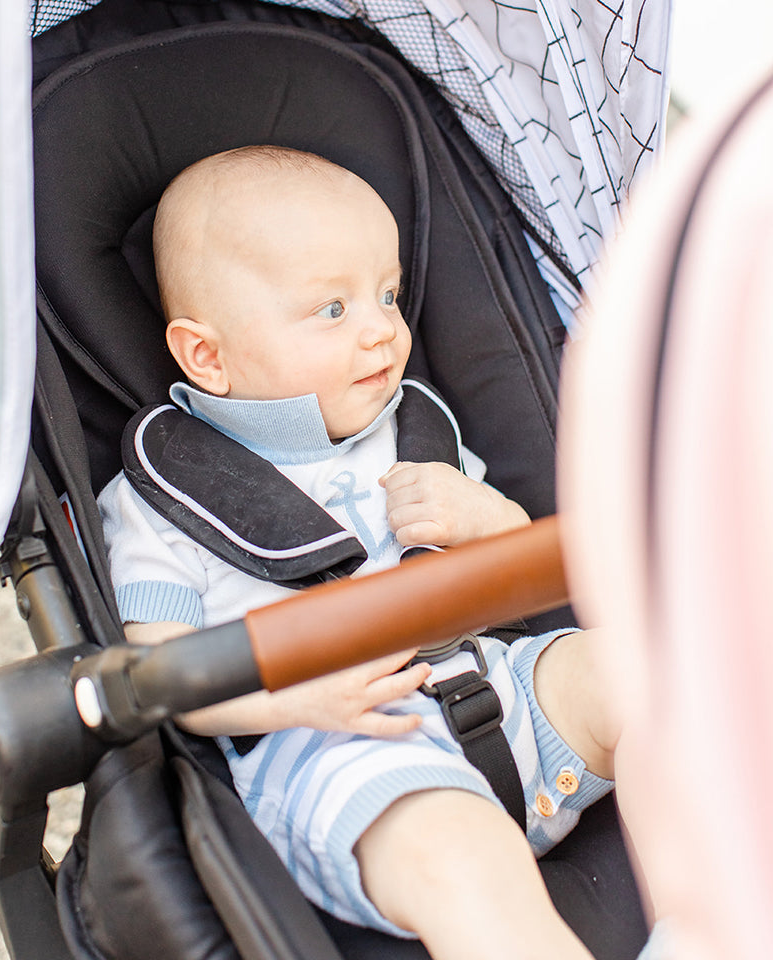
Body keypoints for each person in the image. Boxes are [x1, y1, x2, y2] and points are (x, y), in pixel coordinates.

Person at [98, 144, 620, 960]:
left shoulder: (415, 433)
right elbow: (154, 672)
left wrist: (492, 520)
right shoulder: (163, 499)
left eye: (387, 294)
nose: (383, 329)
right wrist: (288, 702)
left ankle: (712, 911)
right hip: (344, 758)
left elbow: (524, 584)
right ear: (208, 355)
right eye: (332, 310)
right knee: (462, 858)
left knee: (646, 674)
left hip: (501, 691)